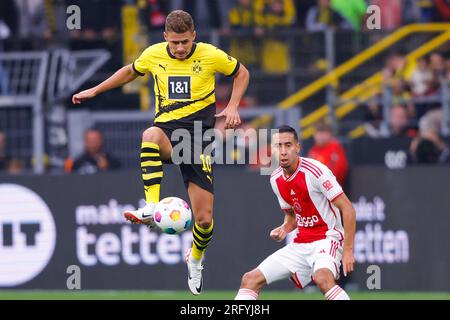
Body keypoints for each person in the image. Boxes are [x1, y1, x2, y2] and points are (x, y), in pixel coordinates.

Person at [72, 10, 250, 295]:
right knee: (150, 135)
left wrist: (233, 105)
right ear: (166, 36)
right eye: (175, 42)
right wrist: (95, 90)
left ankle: (195, 258)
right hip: (168, 133)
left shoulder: (210, 54)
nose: (180, 48)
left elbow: (242, 72)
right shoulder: (154, 54)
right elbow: (131, 71)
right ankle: (152, 207)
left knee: (204, 220)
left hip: (197, 142)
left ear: (194, 35)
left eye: (185, 42)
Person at [234, 125, 355, 300]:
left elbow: (348, 209)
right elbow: (292, 216)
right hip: (301, 243)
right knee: (250, 279)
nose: (283, 151)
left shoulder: (316, 171)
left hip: (327, 238)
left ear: (297, 147)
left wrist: (348, 250)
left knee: (323, 279)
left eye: (288, 145)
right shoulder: (276, 179)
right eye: (278, 146)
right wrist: (284, 229)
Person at [308, 121, 349, 186]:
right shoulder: (314, 149)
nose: (319, 137)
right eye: (318, 134)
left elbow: (338, 171)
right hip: (315, 186)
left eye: (322, 134)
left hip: (331, 187)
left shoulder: (334, 148)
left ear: (329, 134)